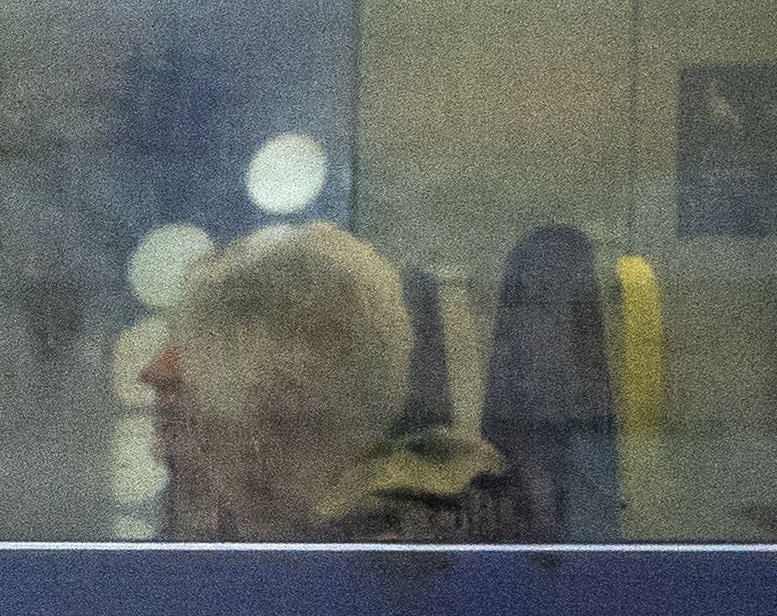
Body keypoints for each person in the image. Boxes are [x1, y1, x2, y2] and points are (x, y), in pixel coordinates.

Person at [139, 216, 526, 542]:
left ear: (278, 399)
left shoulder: (337, 579)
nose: (153, 372)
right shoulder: (457, 541)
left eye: (196, 351)